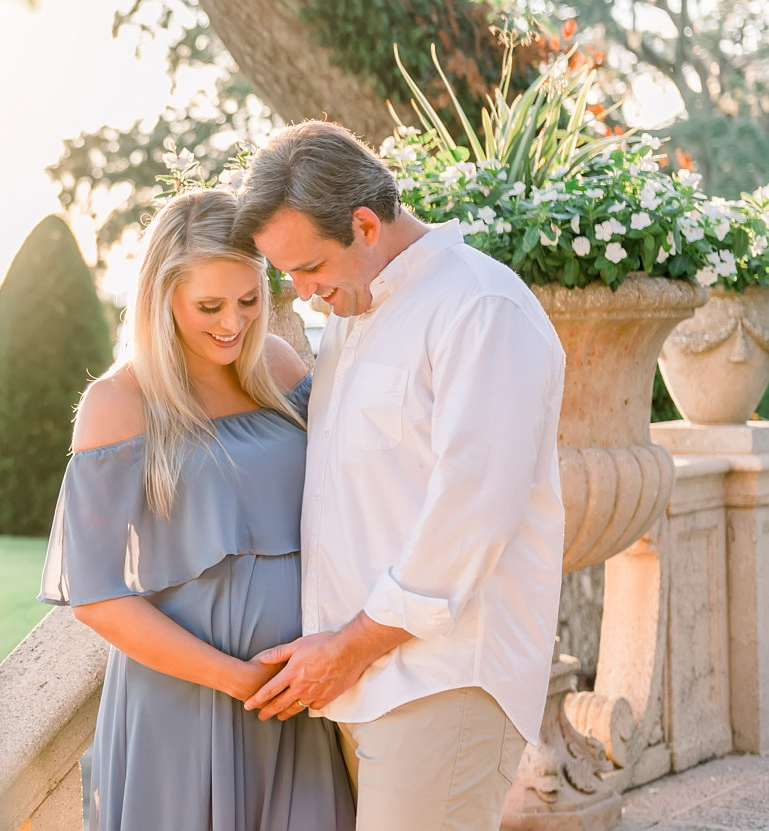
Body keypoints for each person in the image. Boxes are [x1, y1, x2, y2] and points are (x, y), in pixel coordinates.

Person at [234, 120, 565, 831]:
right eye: (285, 273)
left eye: (310, 267)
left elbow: (472, 515)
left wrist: (347, 648)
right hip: (359, 680)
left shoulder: (480, 306)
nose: (300, 291)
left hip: (443, 677)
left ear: (364, 223)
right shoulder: (354, 312)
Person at [39, 188, 355, 831]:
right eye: (208, 305)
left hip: (300, 694)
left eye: (248, 300)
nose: (232, 324)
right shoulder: (117, 404)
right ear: (163, 298)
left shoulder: (276, 364)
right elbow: (98, 596)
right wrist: (236, 678)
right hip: (183, 703)